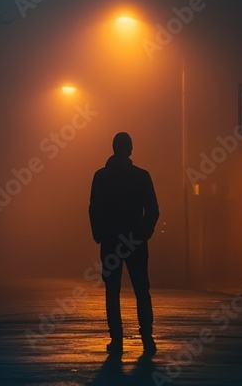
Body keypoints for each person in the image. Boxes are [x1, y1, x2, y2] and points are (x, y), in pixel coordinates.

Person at [89, 132, 160, 356]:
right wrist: (144, 233)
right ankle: (146, 337)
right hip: (135, 240)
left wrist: (100, 234)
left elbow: (94, 209)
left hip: (111, 241)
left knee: (112, 290)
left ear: (113, 148)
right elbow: (153, 209)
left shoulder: (101, 177)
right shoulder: (141, 176)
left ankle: (117, 339)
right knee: (141, 289)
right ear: (130, 149)